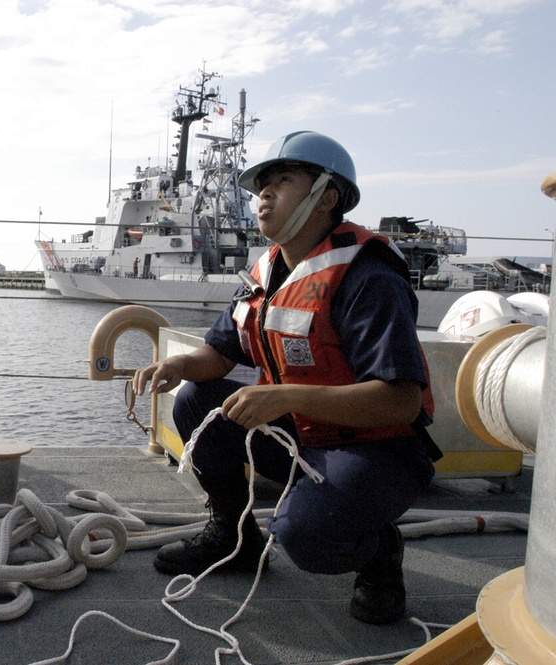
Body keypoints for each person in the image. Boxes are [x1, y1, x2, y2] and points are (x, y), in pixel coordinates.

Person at [132, 131, 439, 625]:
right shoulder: (267, 273)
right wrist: (179, 366)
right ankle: (235, 540)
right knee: (196, 402)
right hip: (304, 434)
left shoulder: (368, 277)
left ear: (328, 198)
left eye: (284, 181)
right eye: (262, 187)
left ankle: (380, 552)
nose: (264, 195)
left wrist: (285, 396)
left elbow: (400, 402)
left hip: (377, 449)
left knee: (308, 537)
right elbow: (220, 352)